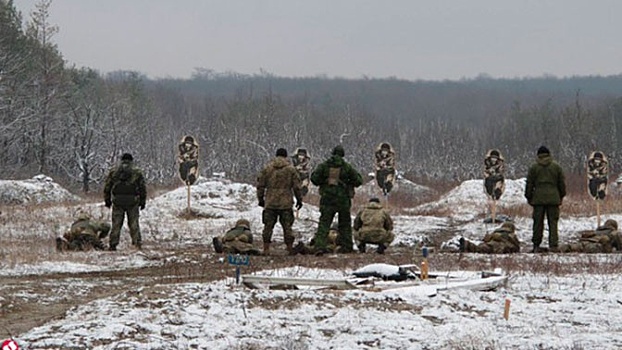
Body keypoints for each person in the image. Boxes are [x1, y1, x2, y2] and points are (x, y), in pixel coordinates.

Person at [310, 145, 363, 254]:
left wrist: (324, 181)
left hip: (327, 199)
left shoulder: (324, 166)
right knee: (345, 224)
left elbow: (314, 179)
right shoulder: (347, 167)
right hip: (343, 200)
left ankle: (319, 246)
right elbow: (358, 181)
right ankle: (347, 246)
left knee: (324, 223)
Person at [256, 148, 303, 255]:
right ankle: (290, 248)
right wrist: (299, 200)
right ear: (286, 156)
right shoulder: (291, 169)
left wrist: (261, 199)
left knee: (268, 226)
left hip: (270, 201)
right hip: (285, 203)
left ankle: (266, 249)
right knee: (287, 227)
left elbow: (260, 186)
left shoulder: (267, 168)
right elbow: (296, 187)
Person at [525, 146, 566, 253]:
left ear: (538, 155)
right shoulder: (556, 167)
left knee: (538, 223)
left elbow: (529, 184)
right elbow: (561, 183)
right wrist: (561, 195)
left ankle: (536, 245)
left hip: (538, 198)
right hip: (553, 198)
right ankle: (553, 245)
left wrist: (529, 196)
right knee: (553, 222)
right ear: (549, 154)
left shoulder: (534, 167)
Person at [103, 153, 147, 251]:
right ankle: (137, 243)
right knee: (133, 223)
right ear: (131, 160)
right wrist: (143, 201)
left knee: (116, 224)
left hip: (118, 201)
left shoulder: (114, 171)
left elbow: (107, 187)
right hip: (133, 201)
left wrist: (107, 200)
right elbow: (142, 188)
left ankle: (113, 244)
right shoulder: (137, 172)